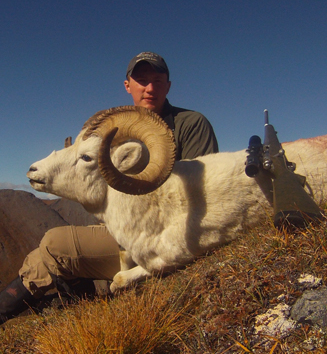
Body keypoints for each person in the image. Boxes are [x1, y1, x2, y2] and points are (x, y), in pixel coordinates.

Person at [0, 52, 218, 325]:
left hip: (165, 235)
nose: (149, 88)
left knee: (55, 245)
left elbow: (202, 193)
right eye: (141, 80)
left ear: (168, 86)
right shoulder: (116, 130)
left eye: (157, 81)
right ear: (128, 86)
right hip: (124, 229)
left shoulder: (191, 124)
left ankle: (86, 296)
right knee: (40, 256)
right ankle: (84, 295)